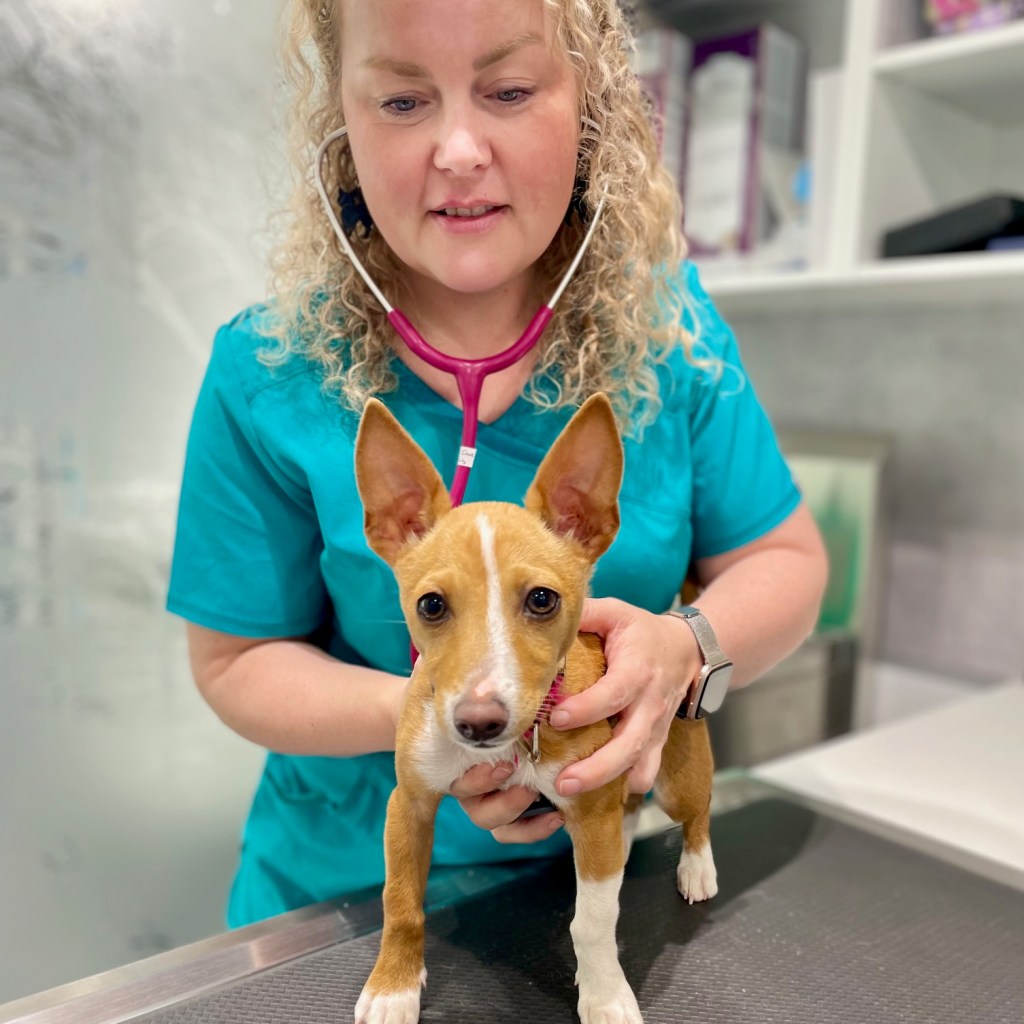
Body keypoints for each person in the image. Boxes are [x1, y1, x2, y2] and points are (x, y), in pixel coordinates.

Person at [167, 0, 827, 929]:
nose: (459, 151)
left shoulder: (672, 333)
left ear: (589, 101)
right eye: (403, 101)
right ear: (342, 120)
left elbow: (786, 562)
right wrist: (437, 714)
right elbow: (236, 661)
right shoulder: (267, 367)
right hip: (338, 905)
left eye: (509, 90)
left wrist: (686, 647)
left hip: (598, 885)